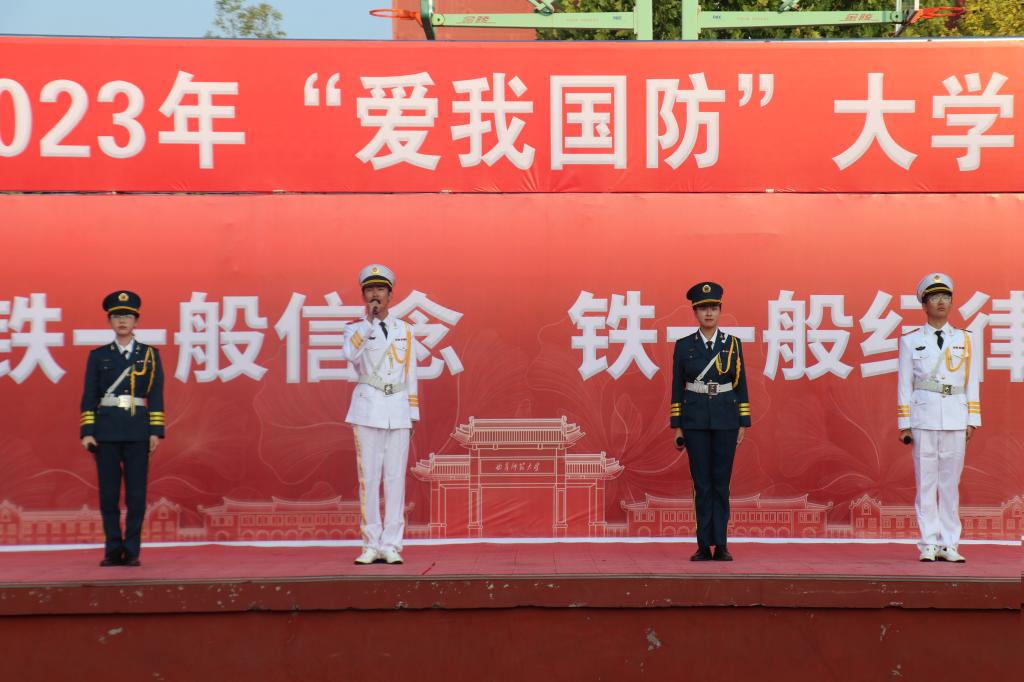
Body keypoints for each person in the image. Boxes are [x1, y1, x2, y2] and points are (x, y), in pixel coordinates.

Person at [897, 273, 980, 562]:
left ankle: (949, 543)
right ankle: (928, 543)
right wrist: (904, 423)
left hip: (956, 416)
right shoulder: (911, 341)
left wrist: (972, 419)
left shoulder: (966, 339)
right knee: (926, 482)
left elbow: (972, 381)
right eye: (934, 297)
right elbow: (904, 383)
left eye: (946, 296)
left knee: (950, 484)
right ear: (924, 304)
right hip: (924, 416)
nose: (941, 302)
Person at [79, 291, 165, 567]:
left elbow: (156, 395)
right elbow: (89, 395)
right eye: (117, 316)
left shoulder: (150, 355)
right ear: (109, 321)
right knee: (109, 494)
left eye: (128, 316)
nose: (122, 321)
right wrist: (87, 430)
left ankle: (133, 550)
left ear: (136, 321)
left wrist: (155, 431)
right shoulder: (98, 356)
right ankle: (113, 550)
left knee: (136, 495)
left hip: (138, 430)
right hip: (105, 431)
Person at [342, 265, 419, 565]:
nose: (376, 295)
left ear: (390, 294)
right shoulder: (355, 329)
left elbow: (410, 372)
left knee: (396, 478)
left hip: (397, 408)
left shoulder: (405, 330)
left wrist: (412, 412)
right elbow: (350, 355)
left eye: (381, 290)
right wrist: (369, 324)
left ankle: (392, 545)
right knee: (369, 478)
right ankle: (370, 544)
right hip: (368, 407)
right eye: (370, 290)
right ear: (364, 296)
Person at [670, 282, 751, 562]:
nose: (709, 313)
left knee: (721, 484)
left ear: (720, 311)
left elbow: (741, 385)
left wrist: (743, 422)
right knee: (701, 484)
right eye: (703, 308)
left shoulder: (733, 344)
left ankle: (722, 544)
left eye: (713, 308)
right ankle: (704, 545)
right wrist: (677, 425)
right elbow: (677, 387)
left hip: (726, 419)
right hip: (694, 421)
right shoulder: (684, 346)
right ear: (695, 312)